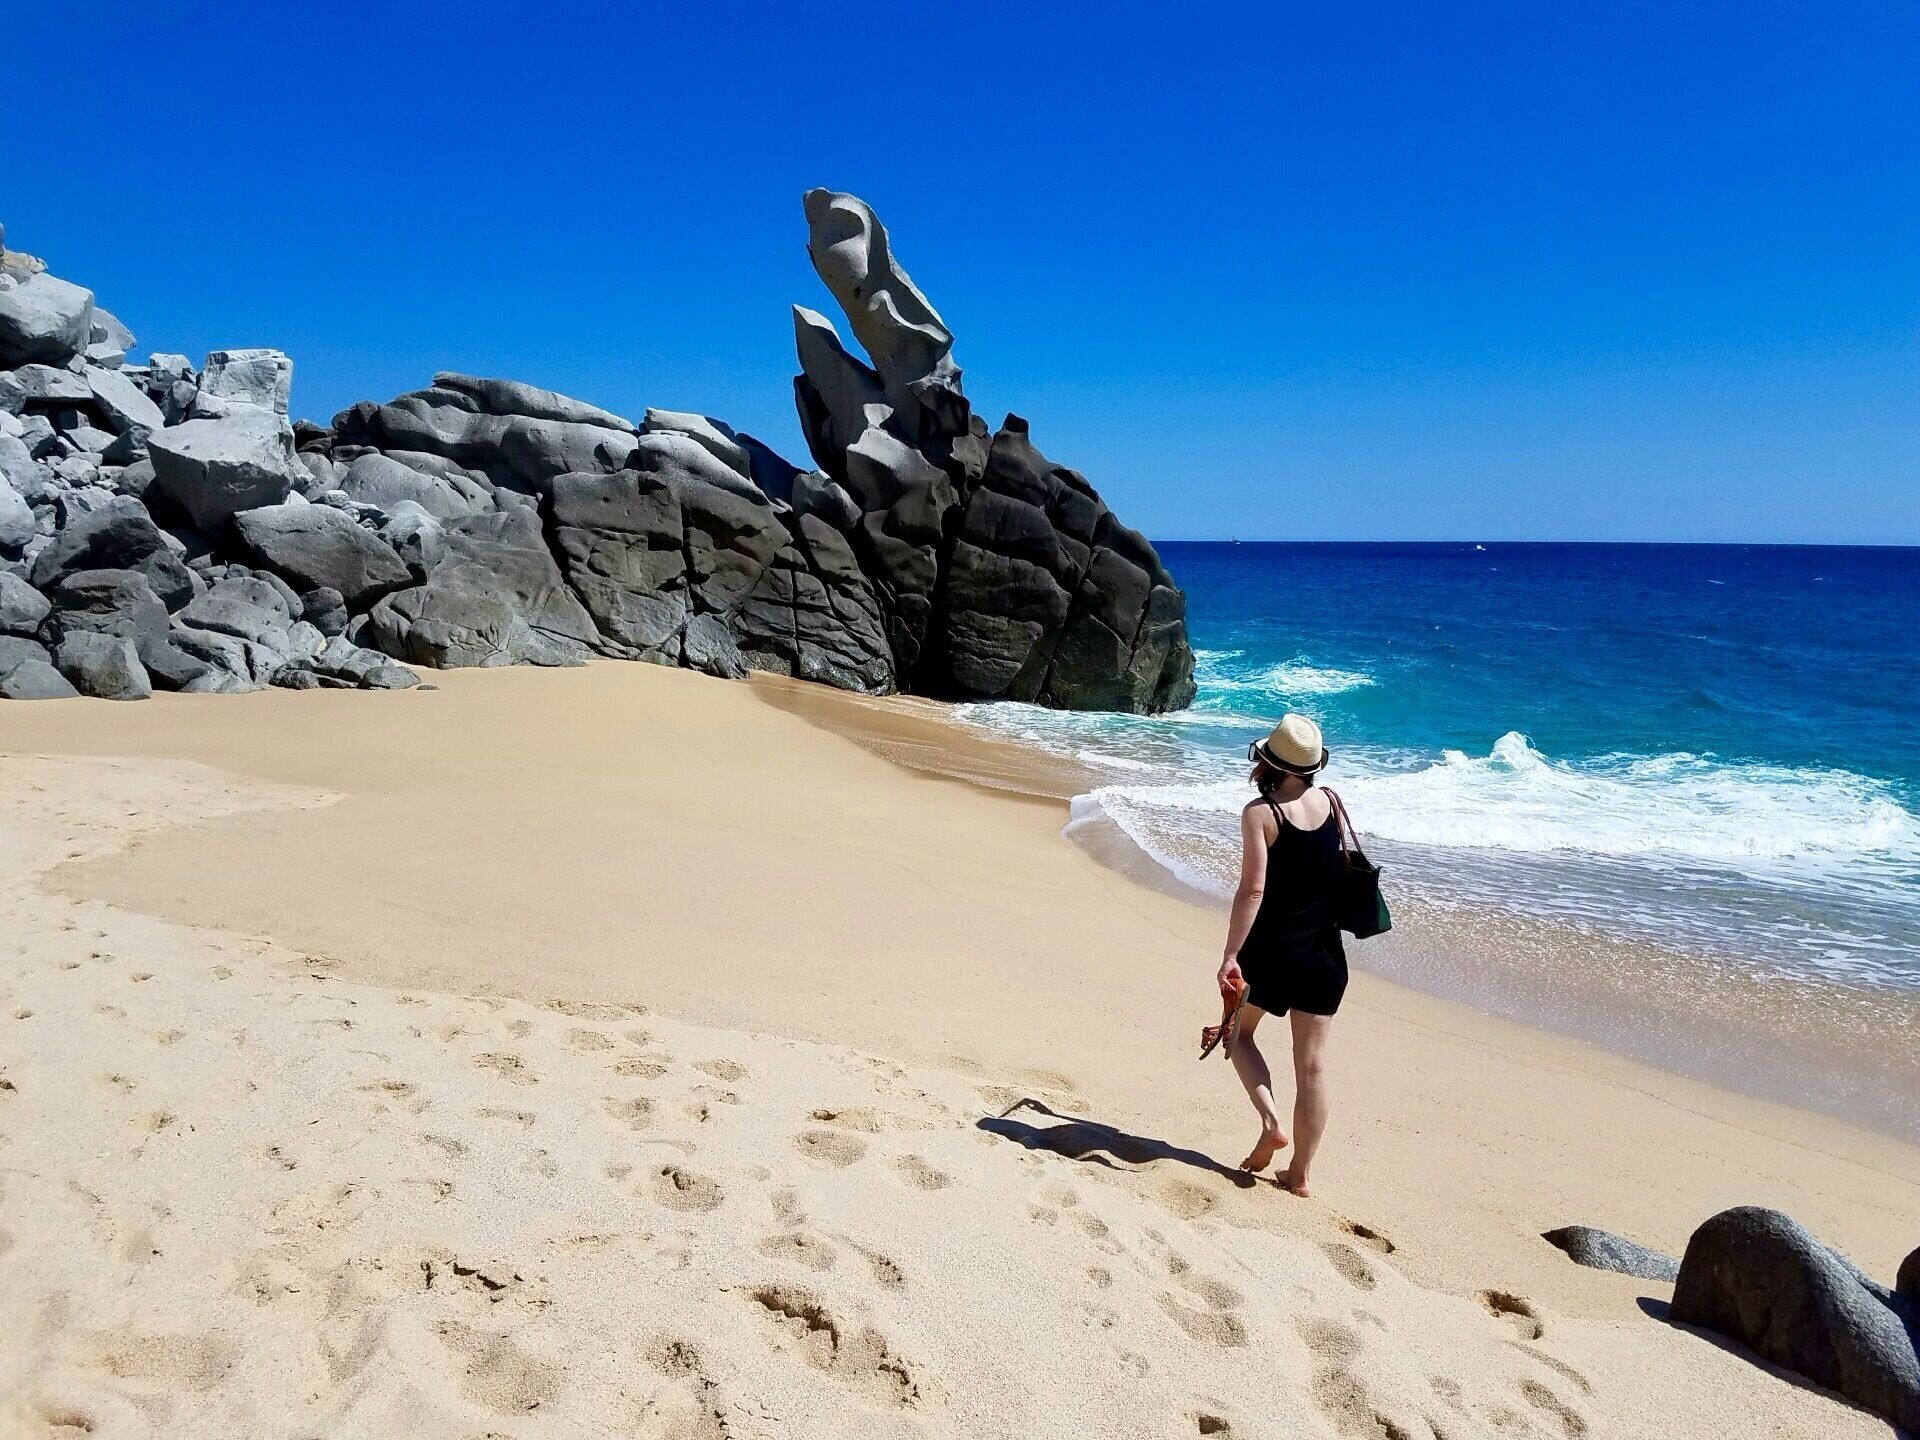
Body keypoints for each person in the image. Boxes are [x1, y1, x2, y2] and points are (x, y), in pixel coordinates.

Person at [1214, 713, 1352, 1196]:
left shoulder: (1262, 813)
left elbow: (1252, 892)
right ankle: (1300, 1175)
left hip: (1274, 953)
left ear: (1268, 760)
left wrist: (1231, 954)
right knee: (1312, 1065)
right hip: (1326, 957)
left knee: (1237, 1035)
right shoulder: (1332, 802)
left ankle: (1272, 1121)